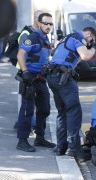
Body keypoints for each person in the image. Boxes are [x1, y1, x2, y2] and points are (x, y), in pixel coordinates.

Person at [47, 27, 96, 158]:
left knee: (62, 112)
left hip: (53, 76)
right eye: (91, 40)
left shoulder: (68, 38)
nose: (89, 44)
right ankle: (74, 149)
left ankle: (61, 147)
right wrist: (95, 47)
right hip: (63, 78)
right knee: (74, 111)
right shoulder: (78, 37)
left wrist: (88, 47)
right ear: (89, 35)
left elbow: (77, 58)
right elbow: (86, 56)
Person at [16, 12, 55, 152]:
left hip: (41, 79)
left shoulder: (46, 38)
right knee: (27, 110)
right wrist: (25, 72)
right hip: (30, 79)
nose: (48, 26)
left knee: (44, 109)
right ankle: (22, 140)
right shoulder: (31, 37)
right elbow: (20, 54)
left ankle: (40, 138)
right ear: (39, 23)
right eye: (46, 23)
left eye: (50, 24)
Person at [14, 10, 45, 132]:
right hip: (27, 73)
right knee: (27, 106)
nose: (41, 21)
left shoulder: (41, 34)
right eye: (39, 18)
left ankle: (37, 132)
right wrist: (26, 72)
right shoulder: (27, 33)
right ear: (35, 19)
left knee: (41, 106)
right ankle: (26, 131)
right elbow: (22, 54)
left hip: (38, 75)